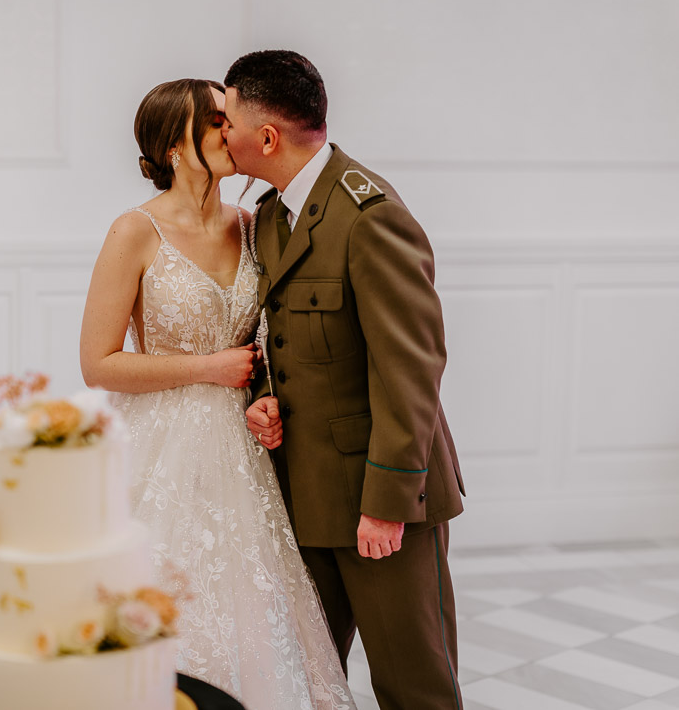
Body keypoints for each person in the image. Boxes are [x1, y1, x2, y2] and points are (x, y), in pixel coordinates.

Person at [80, 79, 355, 710]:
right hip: (161, 448)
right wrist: (208, 367)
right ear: (173, 147)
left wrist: (262, 392)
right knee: (163, 606)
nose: (229, 129)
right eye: (213, 119)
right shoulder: (134, 231)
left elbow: (274, 339)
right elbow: (98, 363)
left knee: (252, 609)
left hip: (246, 450)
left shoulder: (253, 225)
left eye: (227, 116)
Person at [222, 50, 466, 710]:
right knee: (309, 683)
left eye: (227, 121)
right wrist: (261, 397)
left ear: (265, 137)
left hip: (377, 498)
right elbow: (276, 335)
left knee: (412, 685)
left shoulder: (368, 214)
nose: (221, 133)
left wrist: (387, 501)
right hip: (305, 493)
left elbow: (412, 368)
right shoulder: (269, 215)